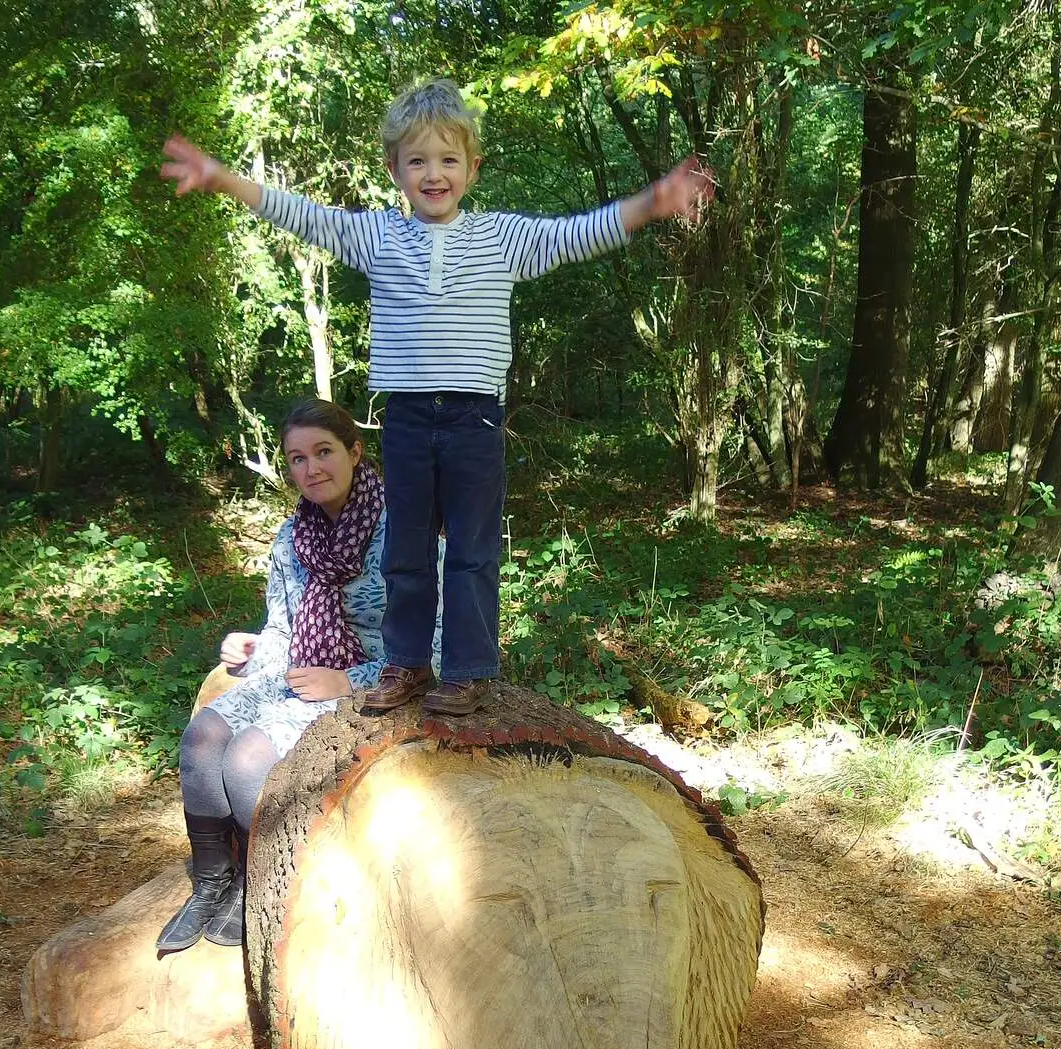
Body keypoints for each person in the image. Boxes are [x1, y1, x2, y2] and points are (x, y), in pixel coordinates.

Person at [160, 80, 713, 717]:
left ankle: (470, 671)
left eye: (448, 159)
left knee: (474, 549)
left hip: (475, 416)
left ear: (473, 167)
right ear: (395, 169)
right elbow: (302, 215)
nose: (433, 173)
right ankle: (406, 665)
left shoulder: (502, 239)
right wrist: (224, 178)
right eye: (417, 160)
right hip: (407, 419)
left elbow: (577, 233)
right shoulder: (378, 238)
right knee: (407, 550)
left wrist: (655, 200)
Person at [157, 398, 437, 955]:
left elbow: (438, 639)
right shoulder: (292, 539)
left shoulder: (405, 531)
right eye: (296, 459)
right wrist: (254, 647)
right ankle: (213, 881)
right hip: (302, 670)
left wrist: (349, 682)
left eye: (324, 452)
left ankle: (260, 888)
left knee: (246, 760)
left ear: (356, 452)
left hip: (380, 679)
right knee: (203, 737)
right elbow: (284, 630)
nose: (311, 470)